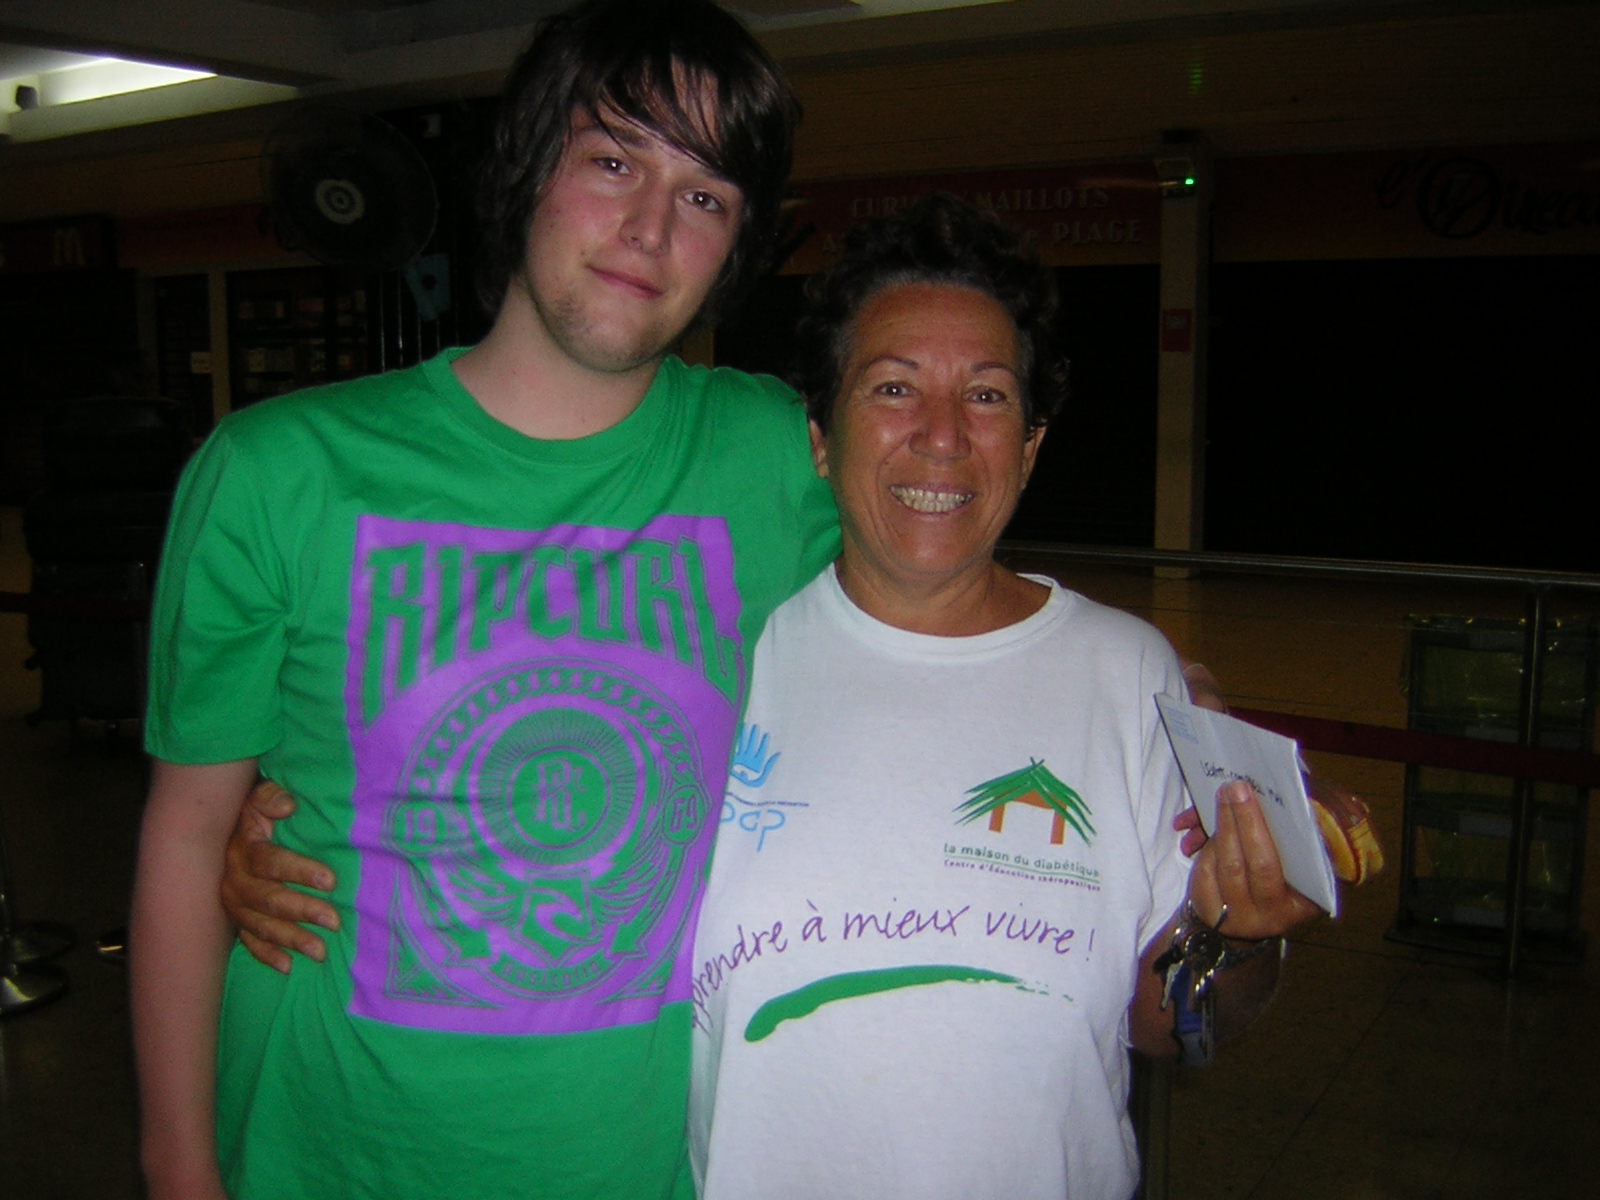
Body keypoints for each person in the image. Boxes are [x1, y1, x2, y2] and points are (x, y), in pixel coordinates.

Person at [225, 195, 1323, 1199]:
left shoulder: (1127, 676)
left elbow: (1171, 1029)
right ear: (817, 440)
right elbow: (523, 781)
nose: (942, 435)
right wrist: (310, 833)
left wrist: (1234, 936)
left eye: (987, 396)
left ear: (1030, 447)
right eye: (892, 387)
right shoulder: (734, 656)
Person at [128, 3, 835, 1199]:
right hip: (326, 1151)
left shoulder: (771, 456)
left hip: (640, 1161)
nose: (651, 227)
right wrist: (178, 1165)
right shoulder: (276, 472)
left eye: (706, 196)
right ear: (526, 167)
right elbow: (188, 833)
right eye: (612, 161)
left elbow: (947, 627)